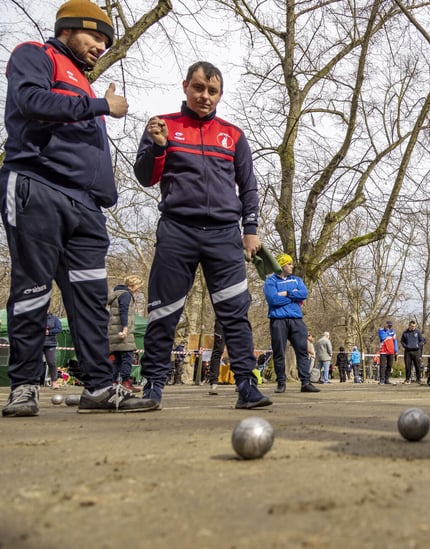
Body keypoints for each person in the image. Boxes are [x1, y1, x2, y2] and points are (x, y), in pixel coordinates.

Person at [1, 0, 158, 416]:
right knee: (32, 288)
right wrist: (102, 106)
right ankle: (23, 386)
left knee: (89, 298)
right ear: (68, 29)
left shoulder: (86, 84)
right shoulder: (36, 55)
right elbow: (31, 102)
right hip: (37, 186)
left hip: (86, 207)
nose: (101, 47)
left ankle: (99, 387)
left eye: (107, 42)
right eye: (95, 37)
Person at [134, 61, 270, 410]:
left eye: (212, 91)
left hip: (224, 235)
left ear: (220, 94)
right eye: (198, 88)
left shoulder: (234, 135)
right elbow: (145, 177)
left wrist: (250, 230)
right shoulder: (162, 126)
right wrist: (159, 146)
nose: (204, 96)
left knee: (235, 313)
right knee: (164, 312)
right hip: (177, 230)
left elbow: (249, 187)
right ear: (185, 87)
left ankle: (246, 386)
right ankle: (152, 387)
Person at [264, 254, 319, 393]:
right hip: (278, 320)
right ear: (281, 265)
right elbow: (273, 300)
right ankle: (281, 383)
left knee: (302, 351)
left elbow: (303, 293)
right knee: (279, 352)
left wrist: (286, 293)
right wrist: (293, 298)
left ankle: (305, 382)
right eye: (289, 264)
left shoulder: (297, 280)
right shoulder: (271, 281)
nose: (292, 266)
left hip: (296, 320)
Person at [107, 276, 142, 393]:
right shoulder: (126, 295)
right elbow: (124, 312)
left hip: (113, 331)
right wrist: (125, 329)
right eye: (137, 286)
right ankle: (125, 381)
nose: (138, 289)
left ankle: (113, 382)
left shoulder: (116, 294)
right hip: (122, 332)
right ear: (132, 285)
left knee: (116, 359)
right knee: (128, 357)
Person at [44, 313, 63, 390]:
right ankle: (33, 382)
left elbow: (59, 329)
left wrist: (49, 332)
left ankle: (54, 381)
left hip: (50, 344)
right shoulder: (36, 316)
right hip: (37, 343)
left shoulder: (54, 319)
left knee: (52, 362)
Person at [378, 320, 397, 385]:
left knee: (389, 365)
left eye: (390, 326)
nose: (388, 327)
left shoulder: (393, 332)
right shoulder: (381, 330)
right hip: (383, 350)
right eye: (388, 325)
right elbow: (383, 337)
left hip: (391, 351)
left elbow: (395, 341)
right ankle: (382, 379)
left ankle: (387, 379)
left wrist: (396, 350)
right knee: (382, 365)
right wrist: (389, 333)